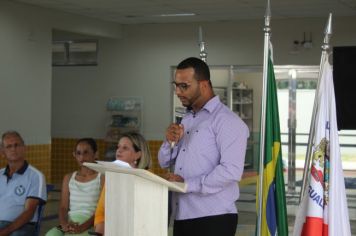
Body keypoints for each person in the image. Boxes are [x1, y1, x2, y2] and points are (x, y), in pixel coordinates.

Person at [158, 57, 249, 236]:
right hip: (182, 214)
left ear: (204, 85)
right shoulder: (187, 119)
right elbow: (163, 162)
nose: (178, 91)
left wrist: (187, 184)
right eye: (176, 85)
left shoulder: (227, 121)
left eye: (184, 86)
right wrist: (169, 141)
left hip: (213, 217)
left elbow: (231, 171)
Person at [94, 131, 151, 235]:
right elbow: (100, 212)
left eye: (125, 148)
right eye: (118, 147)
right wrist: (100, 231)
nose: (119, 150)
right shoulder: (112, 176)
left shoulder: (148, 179)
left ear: (138, 154)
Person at [46, 138, 104, 236]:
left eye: (86, 152)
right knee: (51, 234)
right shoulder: (69, 178)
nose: (82, 157)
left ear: (96, 154)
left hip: (92, 224)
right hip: (70, 223)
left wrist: (82, 227)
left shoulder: (102, 178)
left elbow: (103, 210)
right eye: (78, 153)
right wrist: (64, 224)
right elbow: (63, 207)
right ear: (74, 155)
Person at [0, 130, 47, 236]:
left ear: (24, 148)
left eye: (17, 145)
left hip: (22, 226)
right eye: (9, 146)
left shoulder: (36, 176)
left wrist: (5, 232)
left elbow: (29, 212)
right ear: (2, 152)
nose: (13, 149)